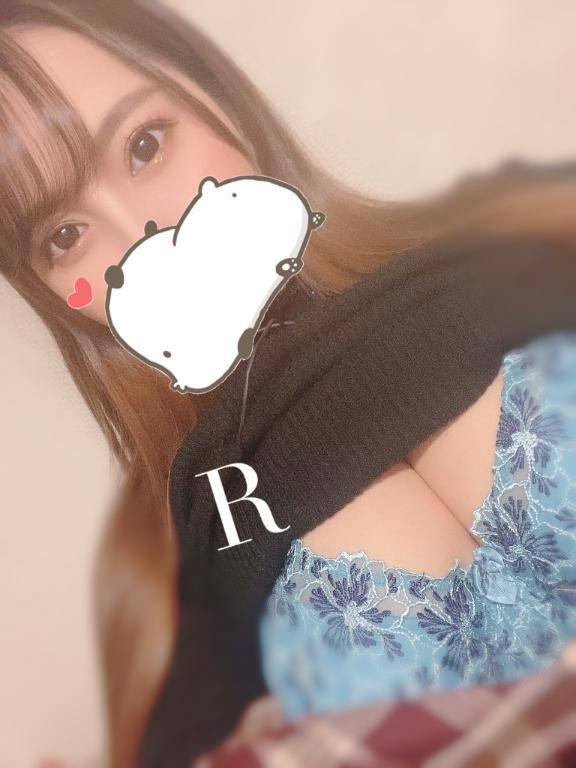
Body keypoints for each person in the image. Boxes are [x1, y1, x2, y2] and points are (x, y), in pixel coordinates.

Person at [1, 1, 575, 766]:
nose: (142, 233)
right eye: (65, 235)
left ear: (214, 98)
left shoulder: (519, 259)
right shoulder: (165, 548)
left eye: (145, 145)